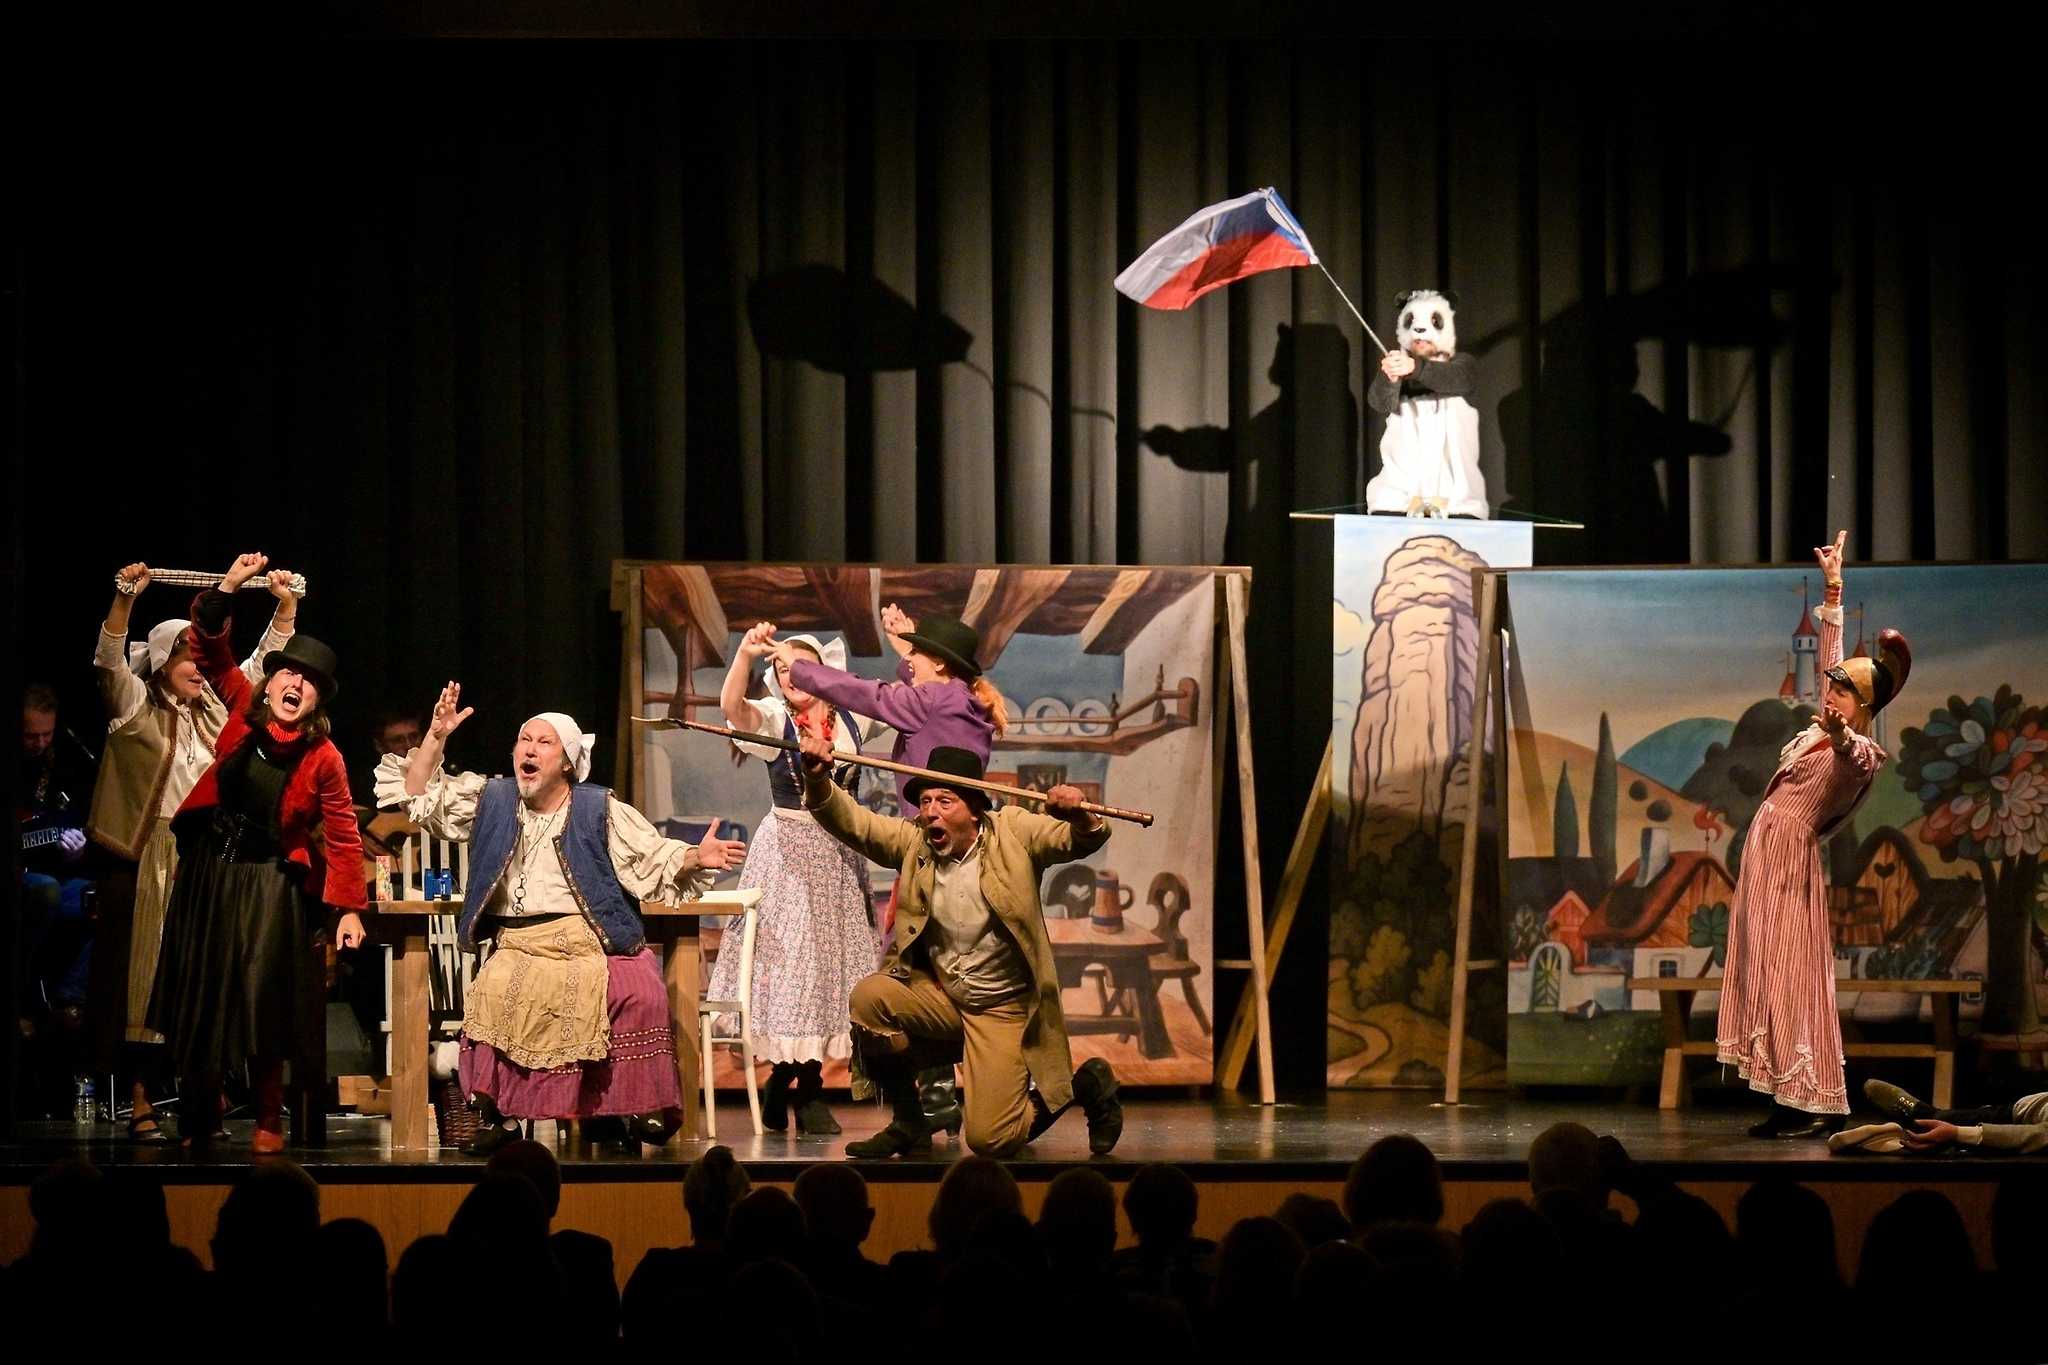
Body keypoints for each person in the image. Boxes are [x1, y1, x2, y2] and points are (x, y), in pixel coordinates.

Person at [380, 683, 744, 1155]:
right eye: (524, 740)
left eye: (543, 742)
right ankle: (502, 1117)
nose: (529, 750)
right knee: (496, 993)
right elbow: (418, 796)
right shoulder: (492, 799)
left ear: (568, 762)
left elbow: (651, 856)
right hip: (518, 943)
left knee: (638, 988)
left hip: (584, 938)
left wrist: (696, 856)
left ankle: (627, 1106)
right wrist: (435, 737)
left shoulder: (597, 807)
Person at [795, 727, 1123, 1159]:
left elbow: (1077, 839)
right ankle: (910, 1122)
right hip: (943, 999)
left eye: (944, 801)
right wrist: (818, 778)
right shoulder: (916, 841)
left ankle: (1085, 1085)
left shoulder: (1013, 832)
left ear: (974, 809)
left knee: (991, 1140)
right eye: (925, 801)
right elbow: (856, 824)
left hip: (1002, 1008)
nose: (930, 812)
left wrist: (1079, 815)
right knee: (871, 999)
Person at [148, 554, 365, 1153]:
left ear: (317, 700)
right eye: (288, 674)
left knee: (262, 997)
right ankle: (198, 1117)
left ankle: (269, 1117)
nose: (295, 685)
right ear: (270, 683)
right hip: (211, 872)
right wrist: (229, 588)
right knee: (203, 991)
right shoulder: (243, 707)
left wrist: (348, 908)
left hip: (270, 878)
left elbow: (343, 834)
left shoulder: (324, 758)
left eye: (308, 682)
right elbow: (209, 647)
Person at [85, 560, 298, 1140]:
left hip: (210, 855)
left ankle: (203, 1099)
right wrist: (125, 599)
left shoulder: (220, 710)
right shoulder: (134, 705)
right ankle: (140, 1096)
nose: (200, 669)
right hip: (153, 854)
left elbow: (259, 667)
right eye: (188, 658)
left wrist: (284, 608)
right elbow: (108, 660)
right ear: (161, 662)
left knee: (207, 974)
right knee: (149, 974)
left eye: (202, 660)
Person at [776, 605, 1006, 1125]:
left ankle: (918, 1109)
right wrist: (908, 642)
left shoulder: (935, 699)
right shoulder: (966, 702)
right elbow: (912, 679)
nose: (910, 664)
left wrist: (800, 670)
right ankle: (935, 1098)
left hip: (927, 851)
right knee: (928, 971)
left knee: (899, 980)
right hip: (954, 852)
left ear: (940, 665)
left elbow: (873, 696)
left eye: (918, 657)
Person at [1716, 530, 1912, 1138]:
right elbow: (1830, 659)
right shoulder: (1821, 726)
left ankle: (1811, 1099)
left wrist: (1844, 734)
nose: (1831, 692)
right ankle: (1786, 1094)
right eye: (1832, 684)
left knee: (1788, 973)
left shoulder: (1863, 753)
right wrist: (1833, 590)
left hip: (1787, 862)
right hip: (1766, 856)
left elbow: (1852, 757)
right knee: (1765, 969)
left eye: (1844, 689)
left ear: (1864, 704)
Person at [710, 623, 880, 1136]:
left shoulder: (852, 720)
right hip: (787, 854)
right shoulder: (773, 719)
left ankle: (787, 1084)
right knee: (794, 972)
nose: (789, 675)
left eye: (799, 665)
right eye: (781, 668)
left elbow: (901, 710)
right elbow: (732, 708)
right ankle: (805, 1091)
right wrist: (744, 655)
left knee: (830, 973)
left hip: (839, 853)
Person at [18, 683, 99, 1109]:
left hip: (52, 872)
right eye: (31, 735)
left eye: (46, 735)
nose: (39, 743)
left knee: (93, 897)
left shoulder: (65, 764)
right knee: (45, 891)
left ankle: (69, 1002)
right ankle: (26, 997)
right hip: (23, 880)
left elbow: (79, 821)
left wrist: (79, 846)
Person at [1828, 1078, 2048, 1155]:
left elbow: (2038, 1135)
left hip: (2025, 1121)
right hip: (2023, 1110)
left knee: (1943, 1131)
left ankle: (1906, 1130)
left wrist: (1957, 1134)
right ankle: (1908, 1126)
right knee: (1945, 1121)